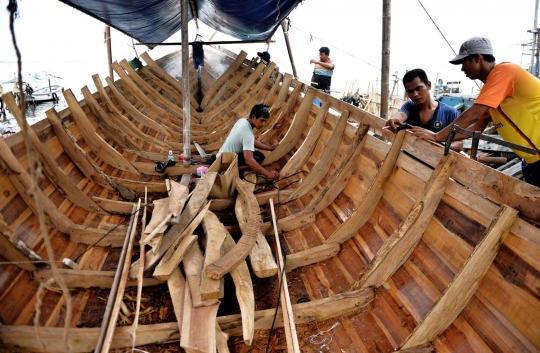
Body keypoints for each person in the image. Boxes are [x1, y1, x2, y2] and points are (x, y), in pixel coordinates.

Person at [411, 37, 540, 187]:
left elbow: (474, 113)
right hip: (531, 160)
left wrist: (436, 136)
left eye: (464, 63)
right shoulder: (491, 90)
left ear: (478, 58)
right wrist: (440, 139)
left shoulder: (504, 72)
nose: (462, 69)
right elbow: (476, 127)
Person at [385, 69, 463, 151]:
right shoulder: (410, 106)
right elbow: (400, 115)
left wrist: (436, 141)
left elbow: (459, 144)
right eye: (410, 91)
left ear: (428, 85)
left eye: (418, 88)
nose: (415, 94)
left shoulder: (450, 113)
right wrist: (394, 118)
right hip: (407, 160)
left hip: (436, 162)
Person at [217, 104, 280, 180]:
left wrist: (270, 148)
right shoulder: (247, 133)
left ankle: (236, 168)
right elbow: (249, 161)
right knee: (256, 160)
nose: (263, 124)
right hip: (226, 162)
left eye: (265, 121)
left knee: (260, 155)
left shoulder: (242, 121)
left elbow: (251, 141)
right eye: (262, 120)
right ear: (253, 117)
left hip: (221, 156)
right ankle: (233, 170)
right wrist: (268, 174)